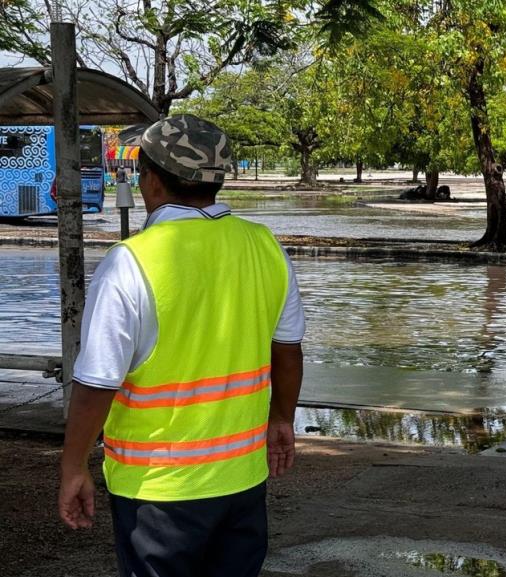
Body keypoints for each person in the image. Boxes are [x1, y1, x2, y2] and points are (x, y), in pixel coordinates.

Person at [57, 114, 306, 577]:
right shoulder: (265, 246)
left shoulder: (130, 262)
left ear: (149, 179)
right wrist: (282, 419)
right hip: (242, 481)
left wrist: (73, 466)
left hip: (158, 491)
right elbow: (288, 351)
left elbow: (96, 383)